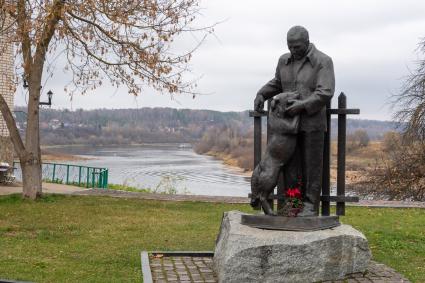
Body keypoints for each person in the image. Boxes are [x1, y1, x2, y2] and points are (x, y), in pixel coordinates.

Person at [254, 25, 335, 216]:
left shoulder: (323, 61)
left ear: (307, 43)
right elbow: (277, 83)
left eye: (297, 46)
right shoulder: (284, 61)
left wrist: (303, 105)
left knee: (311, 166)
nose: (293, 50)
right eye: (290, 46)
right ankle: (293, 202)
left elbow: (325, 92)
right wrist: (261, 94)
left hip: (312, 124)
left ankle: (310, 205)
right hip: (288, 128)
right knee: (290, 167)